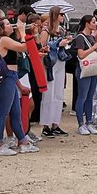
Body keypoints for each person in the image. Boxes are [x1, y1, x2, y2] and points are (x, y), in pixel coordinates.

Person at [0, 15, 39, 155]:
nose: (11, 25)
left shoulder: (6, 39)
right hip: (6, 80)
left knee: (16, 113)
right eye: (8, 24)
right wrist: (23, 32)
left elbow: (12, 67)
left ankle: (22, 141)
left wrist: (20, 86)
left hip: (11, 77)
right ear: (1, 28)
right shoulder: (3, 40)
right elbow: (24, 47)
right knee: (2, 113)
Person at [40, 8, 72, 137]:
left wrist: (66, 42)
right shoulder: (46, 30)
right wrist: (58, 44)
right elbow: (42, 47)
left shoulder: (62, 30)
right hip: (50, 63)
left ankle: (55, 123)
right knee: (49, 95)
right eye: (61, 14)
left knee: (59, 94)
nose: (63, 17)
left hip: (60, 61)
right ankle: (46, 125)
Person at [73, 15, 97, 136]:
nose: (95, 24)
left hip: (92, 69)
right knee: (82, 96)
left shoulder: (91, 37)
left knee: (90, 96)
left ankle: (89, 122)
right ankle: (81, 123)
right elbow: (81, 54)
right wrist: (94, 47)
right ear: (87, 23)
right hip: (83, 69)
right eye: (93, 22)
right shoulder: (80, 37)